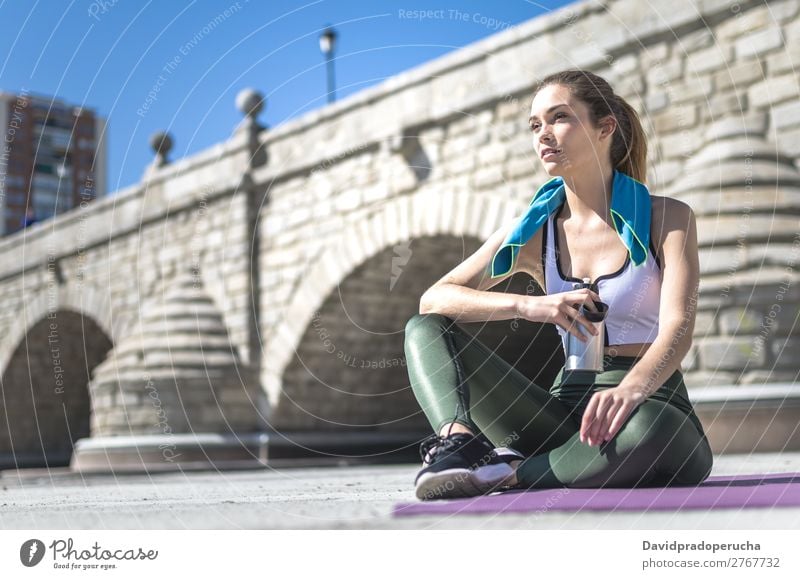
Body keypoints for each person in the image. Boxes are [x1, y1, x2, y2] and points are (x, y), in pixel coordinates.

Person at [404, 69, 713, 501]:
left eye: (558, 118)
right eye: (535, 125)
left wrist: (632, 387)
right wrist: (531, 306)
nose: (543, 135)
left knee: (648, 428)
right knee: (425, 327)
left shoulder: (669, 218)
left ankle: (507, 473)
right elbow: (434, 299)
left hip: (651, 399)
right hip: (561, 407)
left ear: (605, 127)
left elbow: (678, 325)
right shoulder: (534, 230)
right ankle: (460, 446)